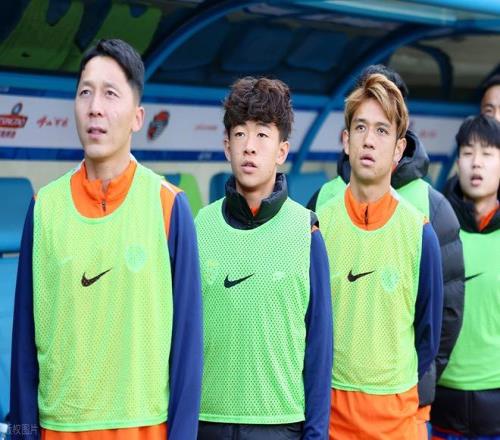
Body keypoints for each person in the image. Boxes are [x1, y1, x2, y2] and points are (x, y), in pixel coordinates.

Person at [10, 39, 203, 440]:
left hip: (145, 430)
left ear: (137, 117)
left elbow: (187, 350)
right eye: (85, 92)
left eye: (110, 93)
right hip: (59, 430)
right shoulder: (44, 208)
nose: (95, 107)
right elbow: (24, 348)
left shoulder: (169, 205)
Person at [309, 64, 464, 439]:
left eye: (382, 131)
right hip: (331, 420)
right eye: (360, 127)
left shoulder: (420, 231)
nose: (369, 140)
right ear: (346, 140)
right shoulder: (317, 227)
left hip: (397, 422)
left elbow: (428, 336)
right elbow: (305, 326)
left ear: (399, 149)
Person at [195, 76, 333, 440]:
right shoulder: (199, 227)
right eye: (240, 134)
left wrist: (315, 434)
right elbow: (182, 337)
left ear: (282, 151)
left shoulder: (307, 232)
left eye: (262, 134)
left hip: (281, 426)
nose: (250, 147)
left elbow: (320, 350)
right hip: (207, 424)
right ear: (227, 146)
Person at [431, 115, 500, 439]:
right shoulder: (434, 227)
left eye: (487, 153)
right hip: (441, 402)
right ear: (457, 162)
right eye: (468, 153)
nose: (477, 163)